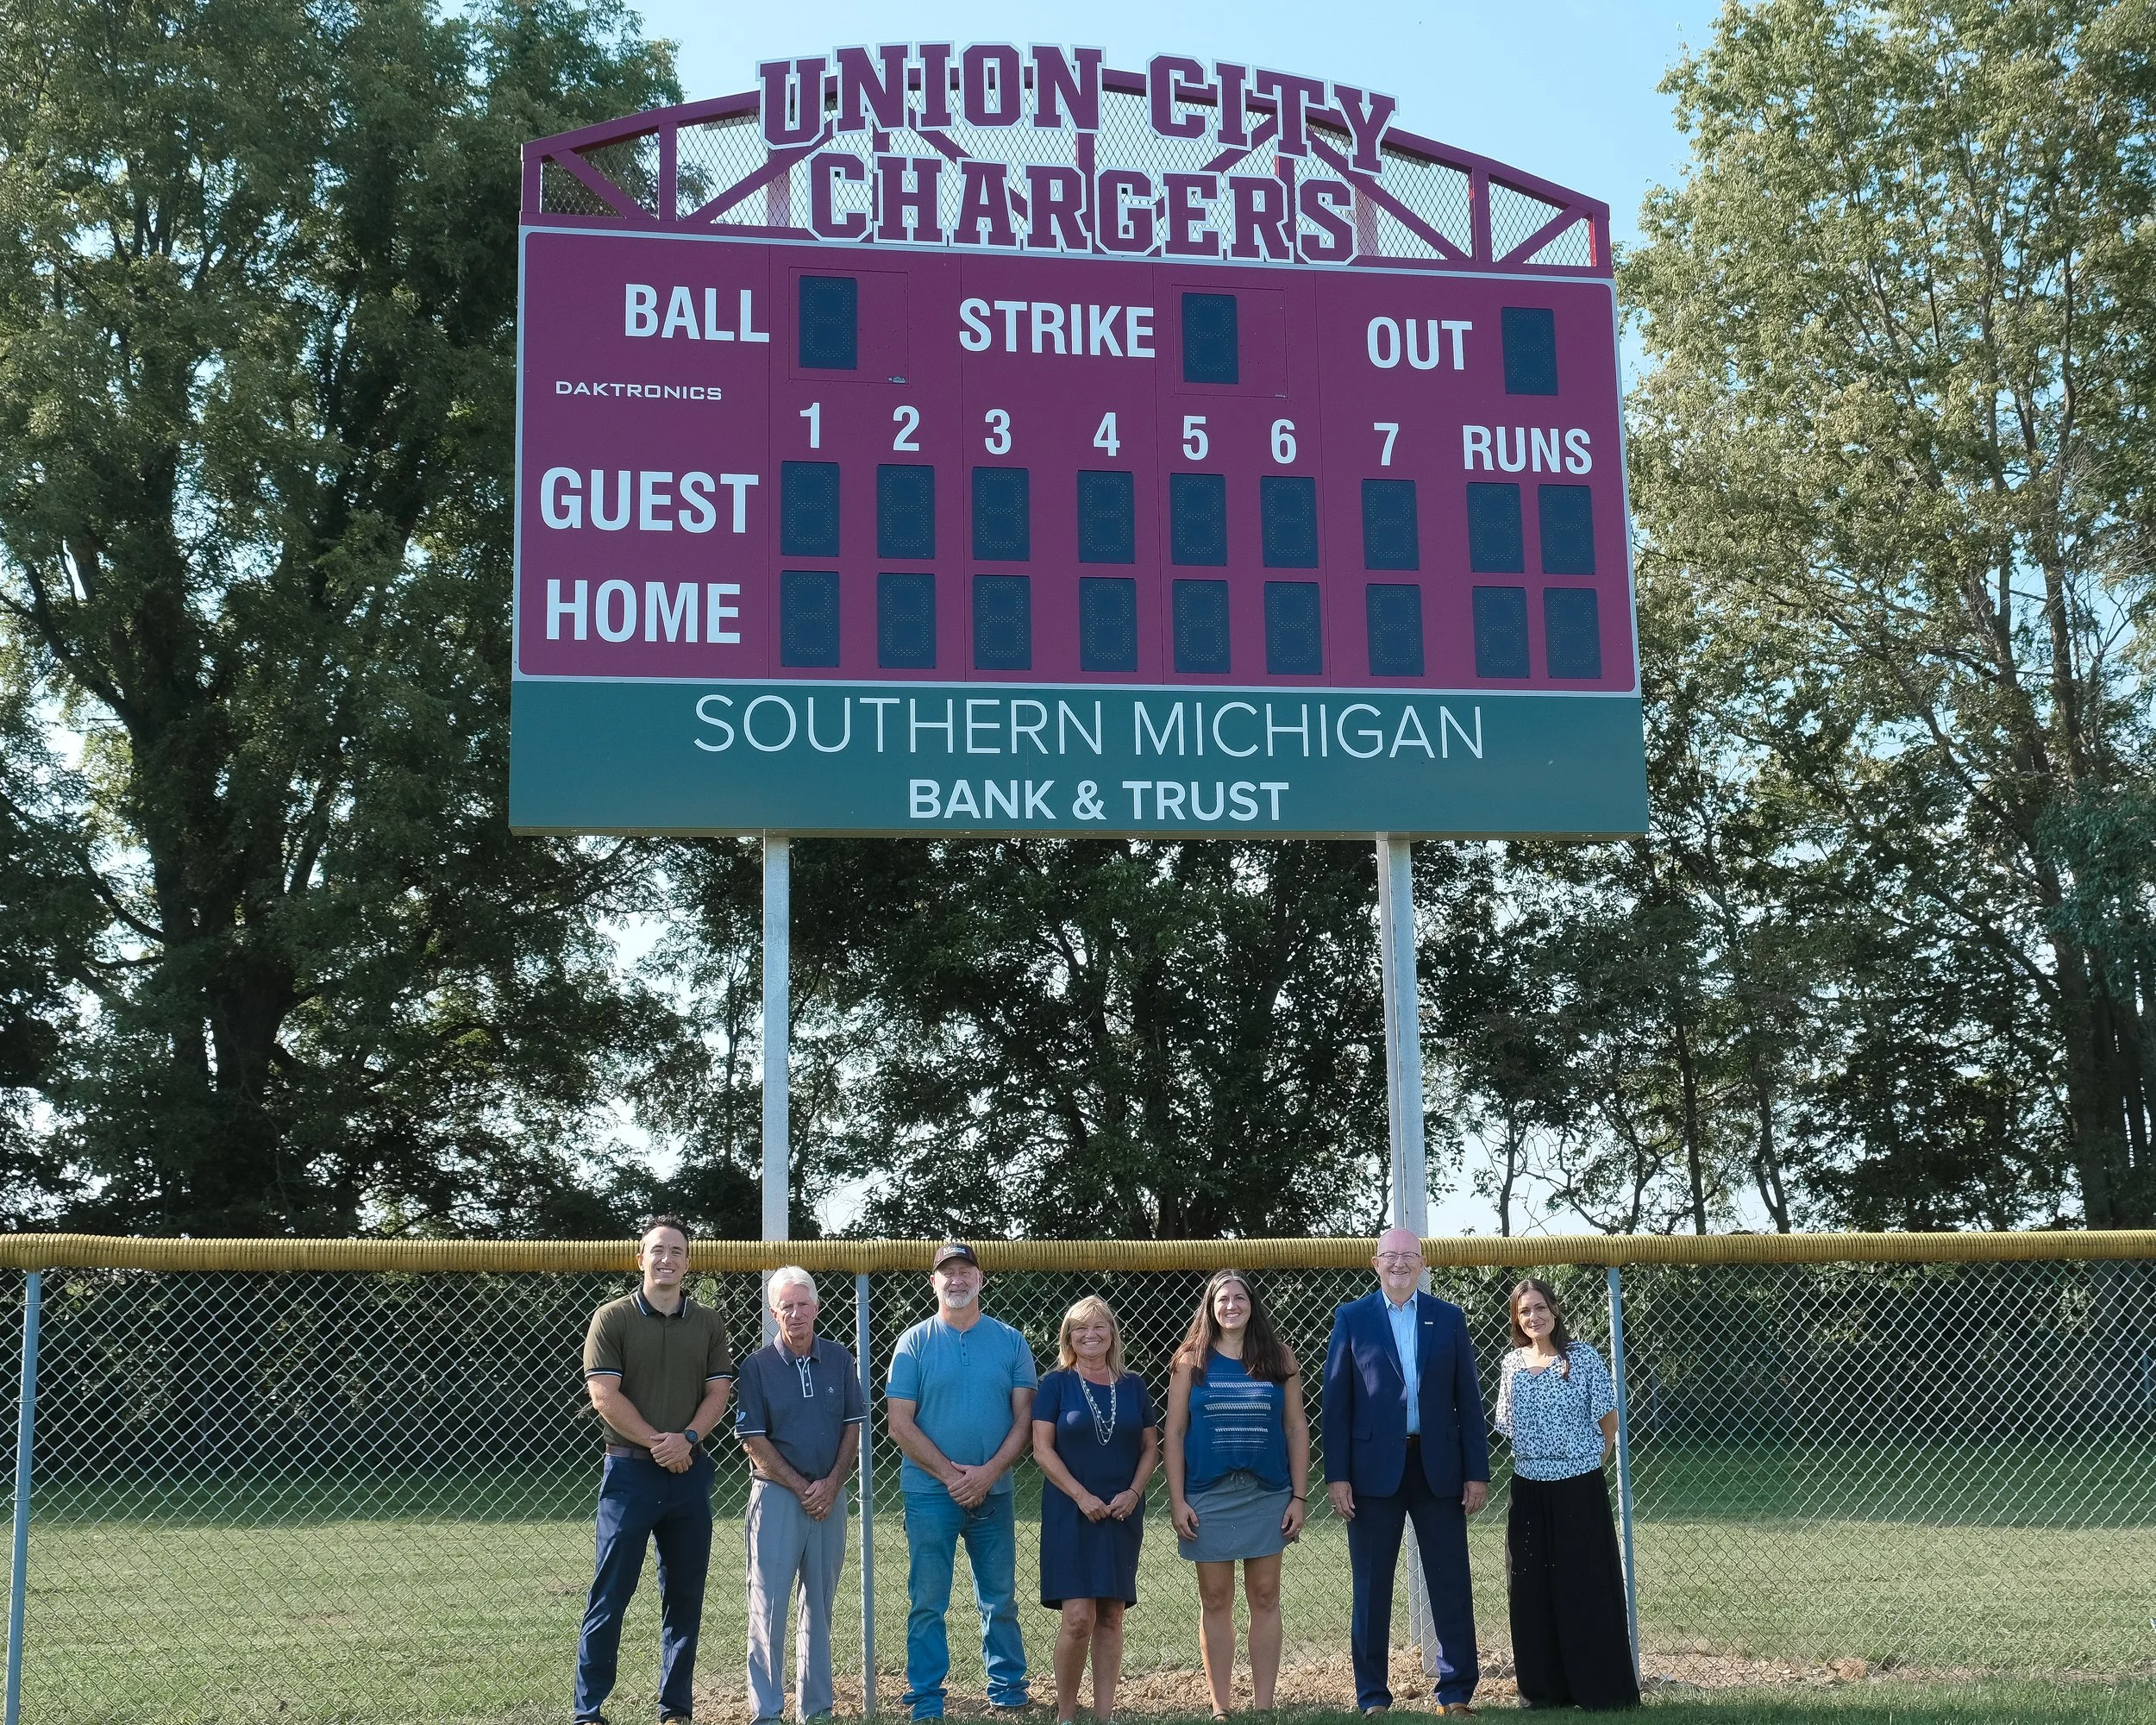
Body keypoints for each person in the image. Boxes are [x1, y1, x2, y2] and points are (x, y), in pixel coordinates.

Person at [576, 1215, 736, 1725]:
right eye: (656, 1250)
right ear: (640, 1258)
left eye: (677, 1251)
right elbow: (604, 1393)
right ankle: (589, 1710)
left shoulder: (709, 1322)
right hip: (629, 1474)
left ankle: (675, 1709)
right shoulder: (612, 1318)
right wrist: (658, 1443)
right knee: (610, 1593)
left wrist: (686, 1440)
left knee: (685, 1595)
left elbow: (718, 1393)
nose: (666, 1259)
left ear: (689, 1262)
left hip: (689, 1472)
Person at [1322, 1228, 1489, 1717]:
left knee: (1451, 1583)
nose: (1399, 1264)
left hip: (1439, 1469)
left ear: (1422, 1264)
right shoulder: (1352, 1319)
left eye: (1408, 1257)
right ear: (1376, 1263)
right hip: (1372, 1473)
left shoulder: (1449, 1319)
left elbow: (1468, 1401)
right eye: (1390, 1256)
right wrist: (1338, 1476)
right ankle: (1372, 1696)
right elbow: (1336, 1406)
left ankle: (1456, 1692)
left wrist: (1475, 1472)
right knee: (1372, 1588)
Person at [886, 1240, 1039, 1720]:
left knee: (1000, 1597)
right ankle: (927, 1696)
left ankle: (1008, 1690)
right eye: (946, 1273)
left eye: (965, 1272)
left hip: (994, 1491)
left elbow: (1026, 1419)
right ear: (934, 1282)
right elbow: (899, 1423)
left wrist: (989, 1473)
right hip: (931, 1492)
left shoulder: (1011, 1341)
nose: (956, 1280)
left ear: (980, 1279)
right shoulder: (914, 1341)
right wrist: (953, 1476)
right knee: (927, 1600)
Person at [1163, 1270, 1311, 1720]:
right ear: (1210, 1306)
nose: (1231, 1305)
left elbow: (1295, 1427)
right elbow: (1173, 1432)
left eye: (1239, 1297)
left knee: (1265, 1596)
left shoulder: (1279, 1357)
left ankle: (1264, 1707)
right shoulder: (1191, 1360)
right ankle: (1221, 1707)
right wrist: (1178, 1499)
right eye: (1222, 1298)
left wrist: (1299, 1497)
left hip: (1267, 1493)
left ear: (1252, 1304)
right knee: (1215, 1599)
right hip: (1207, 1494)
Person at [1495, 1278, 1639, 1711]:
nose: (1533, 1317)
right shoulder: (1511, 1365)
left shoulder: (1583, 1359)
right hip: (1529, 1489)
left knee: (1585, 1586)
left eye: (1539, 1307)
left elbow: (1608, 1424)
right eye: (1524, 1312)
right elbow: (1506, 1424)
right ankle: (1543, 1692)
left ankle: (1600, 1690)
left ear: (1555, 1310)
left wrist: (1583, 1463)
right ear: (1517, 1320)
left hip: (1578, 1489)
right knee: (1531, 1589)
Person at [736, 1266, 867, 1725]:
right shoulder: (756, 1367)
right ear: (774, 1313)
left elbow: (854, 1425)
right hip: (777, 1497)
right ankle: (767, 1713)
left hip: (830, 1497)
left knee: (820, 1606)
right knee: (768, 1605)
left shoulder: (839, 1358)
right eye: (786, 1306)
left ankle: (816, 1710)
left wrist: (832, 1483)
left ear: (816, 1306)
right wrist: (801, 1486)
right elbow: (753, 1439)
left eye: (803, 1303)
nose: (796, 1313)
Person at [1032, 1295, 1160, 1725]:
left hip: (1121, 1511)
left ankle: (1105, 1716)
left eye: (1099, 1327)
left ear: (1112, 1333)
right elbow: (1042, 1450)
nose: (1090, 1335)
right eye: (1080, 1328)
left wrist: (1134, 1492)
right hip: (1071, 1511)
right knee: (1078, 1617)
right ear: (1068, 1335)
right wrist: (1081, 1496)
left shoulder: (1134, 1385)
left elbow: (1150, 1448)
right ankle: (1066, 1715)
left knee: (1110, 1615)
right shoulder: (1055, 1384)